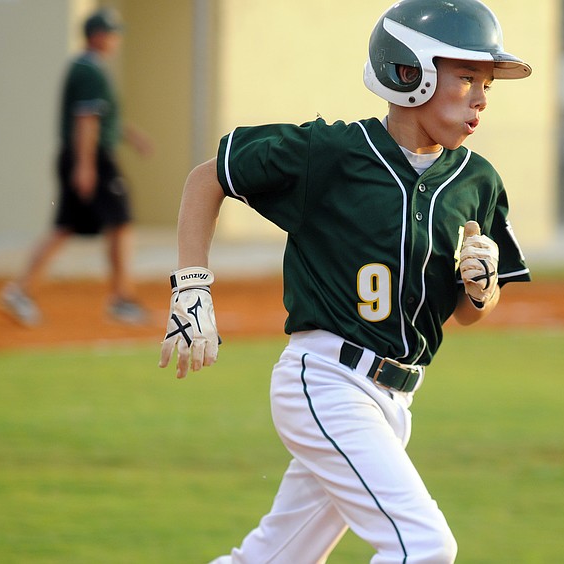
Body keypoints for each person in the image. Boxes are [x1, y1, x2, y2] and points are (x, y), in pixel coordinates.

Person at [159, 0, 532, 561]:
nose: (481, 98)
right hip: (327, 382)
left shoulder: (477, 181)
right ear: (412, 72)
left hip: (395, 401)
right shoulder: (330, 153)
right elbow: (207, 178)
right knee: (424, 548)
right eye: (467, 78)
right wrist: (191, 284)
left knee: (273, 557)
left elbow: (467, 312)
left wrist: (483, 290)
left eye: (486, 83)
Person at [0, 7, 152, 326]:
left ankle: (20, 290)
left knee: (65, 226)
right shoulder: (89, 71)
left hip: (82, 154)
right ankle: (122, 299)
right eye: (112, 34)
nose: (116, 40)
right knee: (121, 221)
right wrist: (86, 166)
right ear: (97, 36)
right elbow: (86, 119)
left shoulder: (87, 68)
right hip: (92, 156)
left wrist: (131, 136)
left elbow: (103, 116)